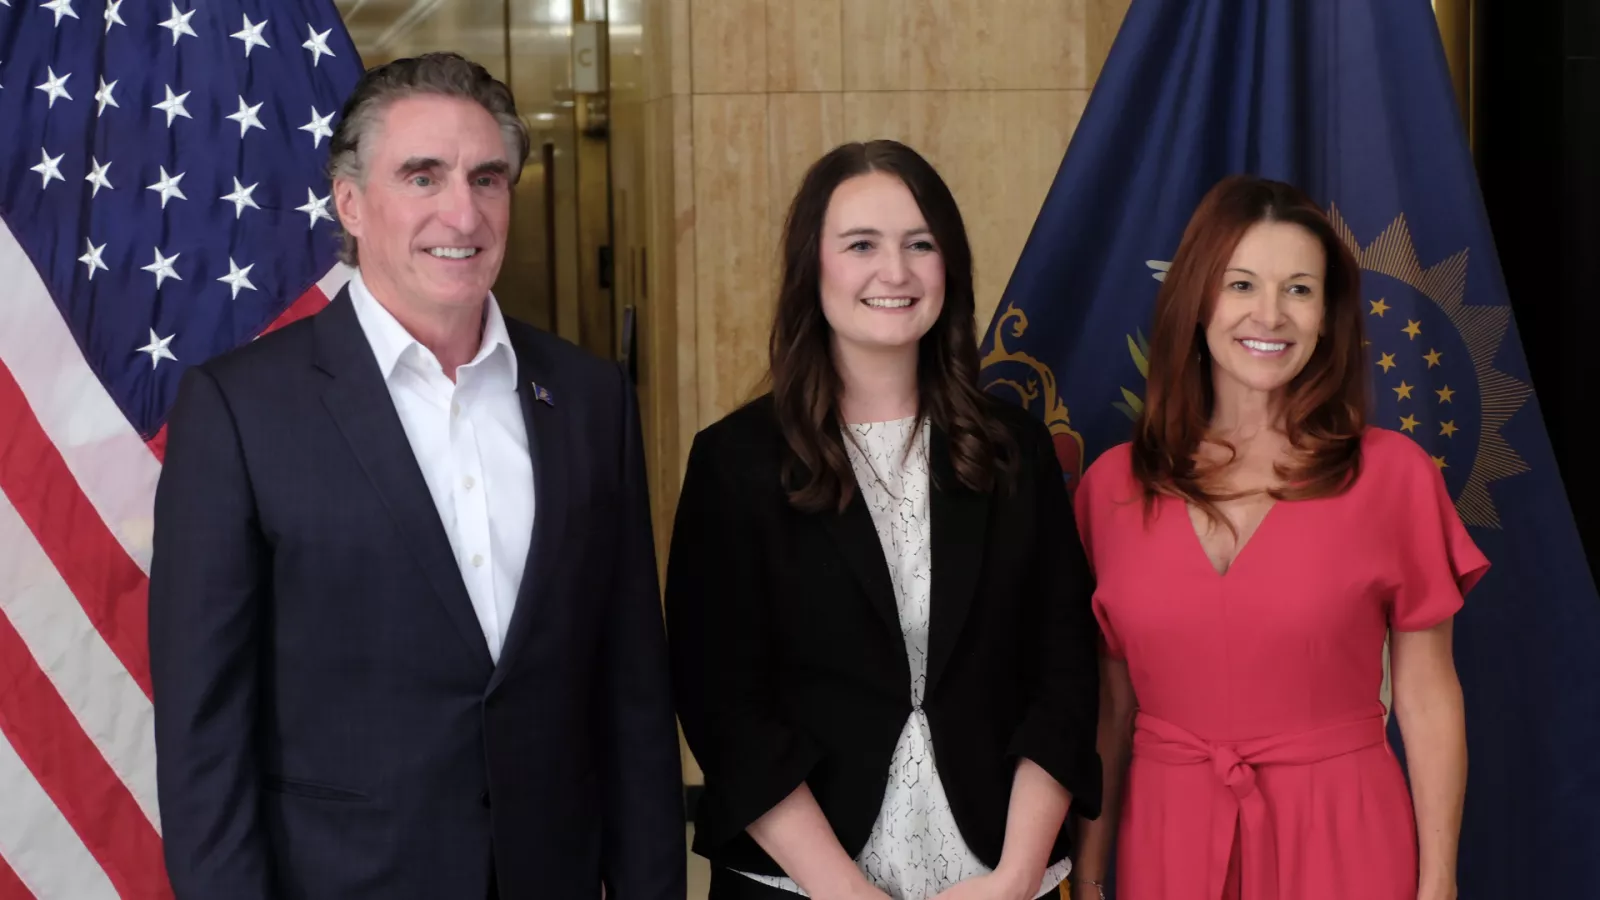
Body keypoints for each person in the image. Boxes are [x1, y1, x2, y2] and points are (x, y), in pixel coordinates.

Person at [147, 52, 685, 900]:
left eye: (487, 178)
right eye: (422, 176)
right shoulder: (240, 410)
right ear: (351, 202)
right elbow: (203, 735)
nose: (461, 211)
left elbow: (633, 700)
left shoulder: (587, 399)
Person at [663, 140, 1103, 900]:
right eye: (861, 244)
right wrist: (845, 892)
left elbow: (1063, 676)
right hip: (802, 883)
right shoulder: (734, 463)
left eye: (919, 245)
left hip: (998, 876)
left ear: (949, 267)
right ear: (813, 267)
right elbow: (724, 705)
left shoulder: (1015, 451)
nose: (893, 272)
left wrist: (1016, 876)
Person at [1068, 175, 1486, 900]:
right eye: (1241, 284)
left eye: (1299, 289)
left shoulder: (1394, 477)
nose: (1271, 314)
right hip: (1165, 836)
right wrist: (1092, 868)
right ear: (1196, 300)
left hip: (1346, 832)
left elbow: (1425, 695)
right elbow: (1110, 704)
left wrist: (1438, 882)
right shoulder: (1109, 487)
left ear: (1328, 316)